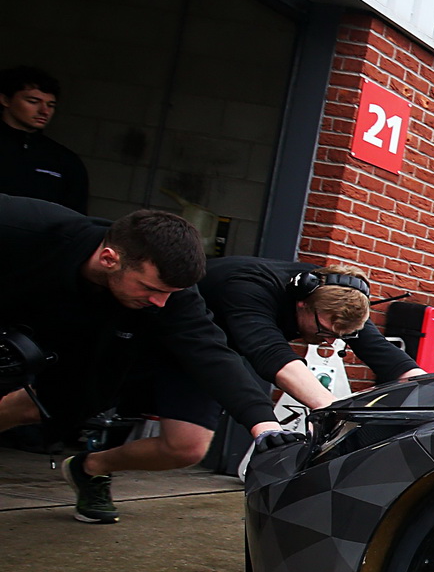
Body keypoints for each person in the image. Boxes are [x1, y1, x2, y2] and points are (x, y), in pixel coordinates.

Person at [0, 197, 295, 523]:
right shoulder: (23, 226)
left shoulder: (172, 297)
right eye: (150, 288)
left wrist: (264, 424)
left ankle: (89, 469)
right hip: (24, 305)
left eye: (169, 293)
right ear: (109, 259)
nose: (160, 302)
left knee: (42, 404)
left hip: (88, 339)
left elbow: (211, 352)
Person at [190, 255, 428, 416]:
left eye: (339, 336)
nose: (331, 341)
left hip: (211, 352)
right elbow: (272, 354)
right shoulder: (249, 288)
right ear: (302, 303)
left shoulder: (335, 298)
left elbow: (386, 356)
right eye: (325, 331)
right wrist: (332, 412)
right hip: (176, 338)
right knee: (187, 439)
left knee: (189, 445)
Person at [0, 66, 87, 212]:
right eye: (33, 101)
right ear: (5, 100)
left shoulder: (65, 161)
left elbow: (76, 218)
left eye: (50, 105)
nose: (44, 111)